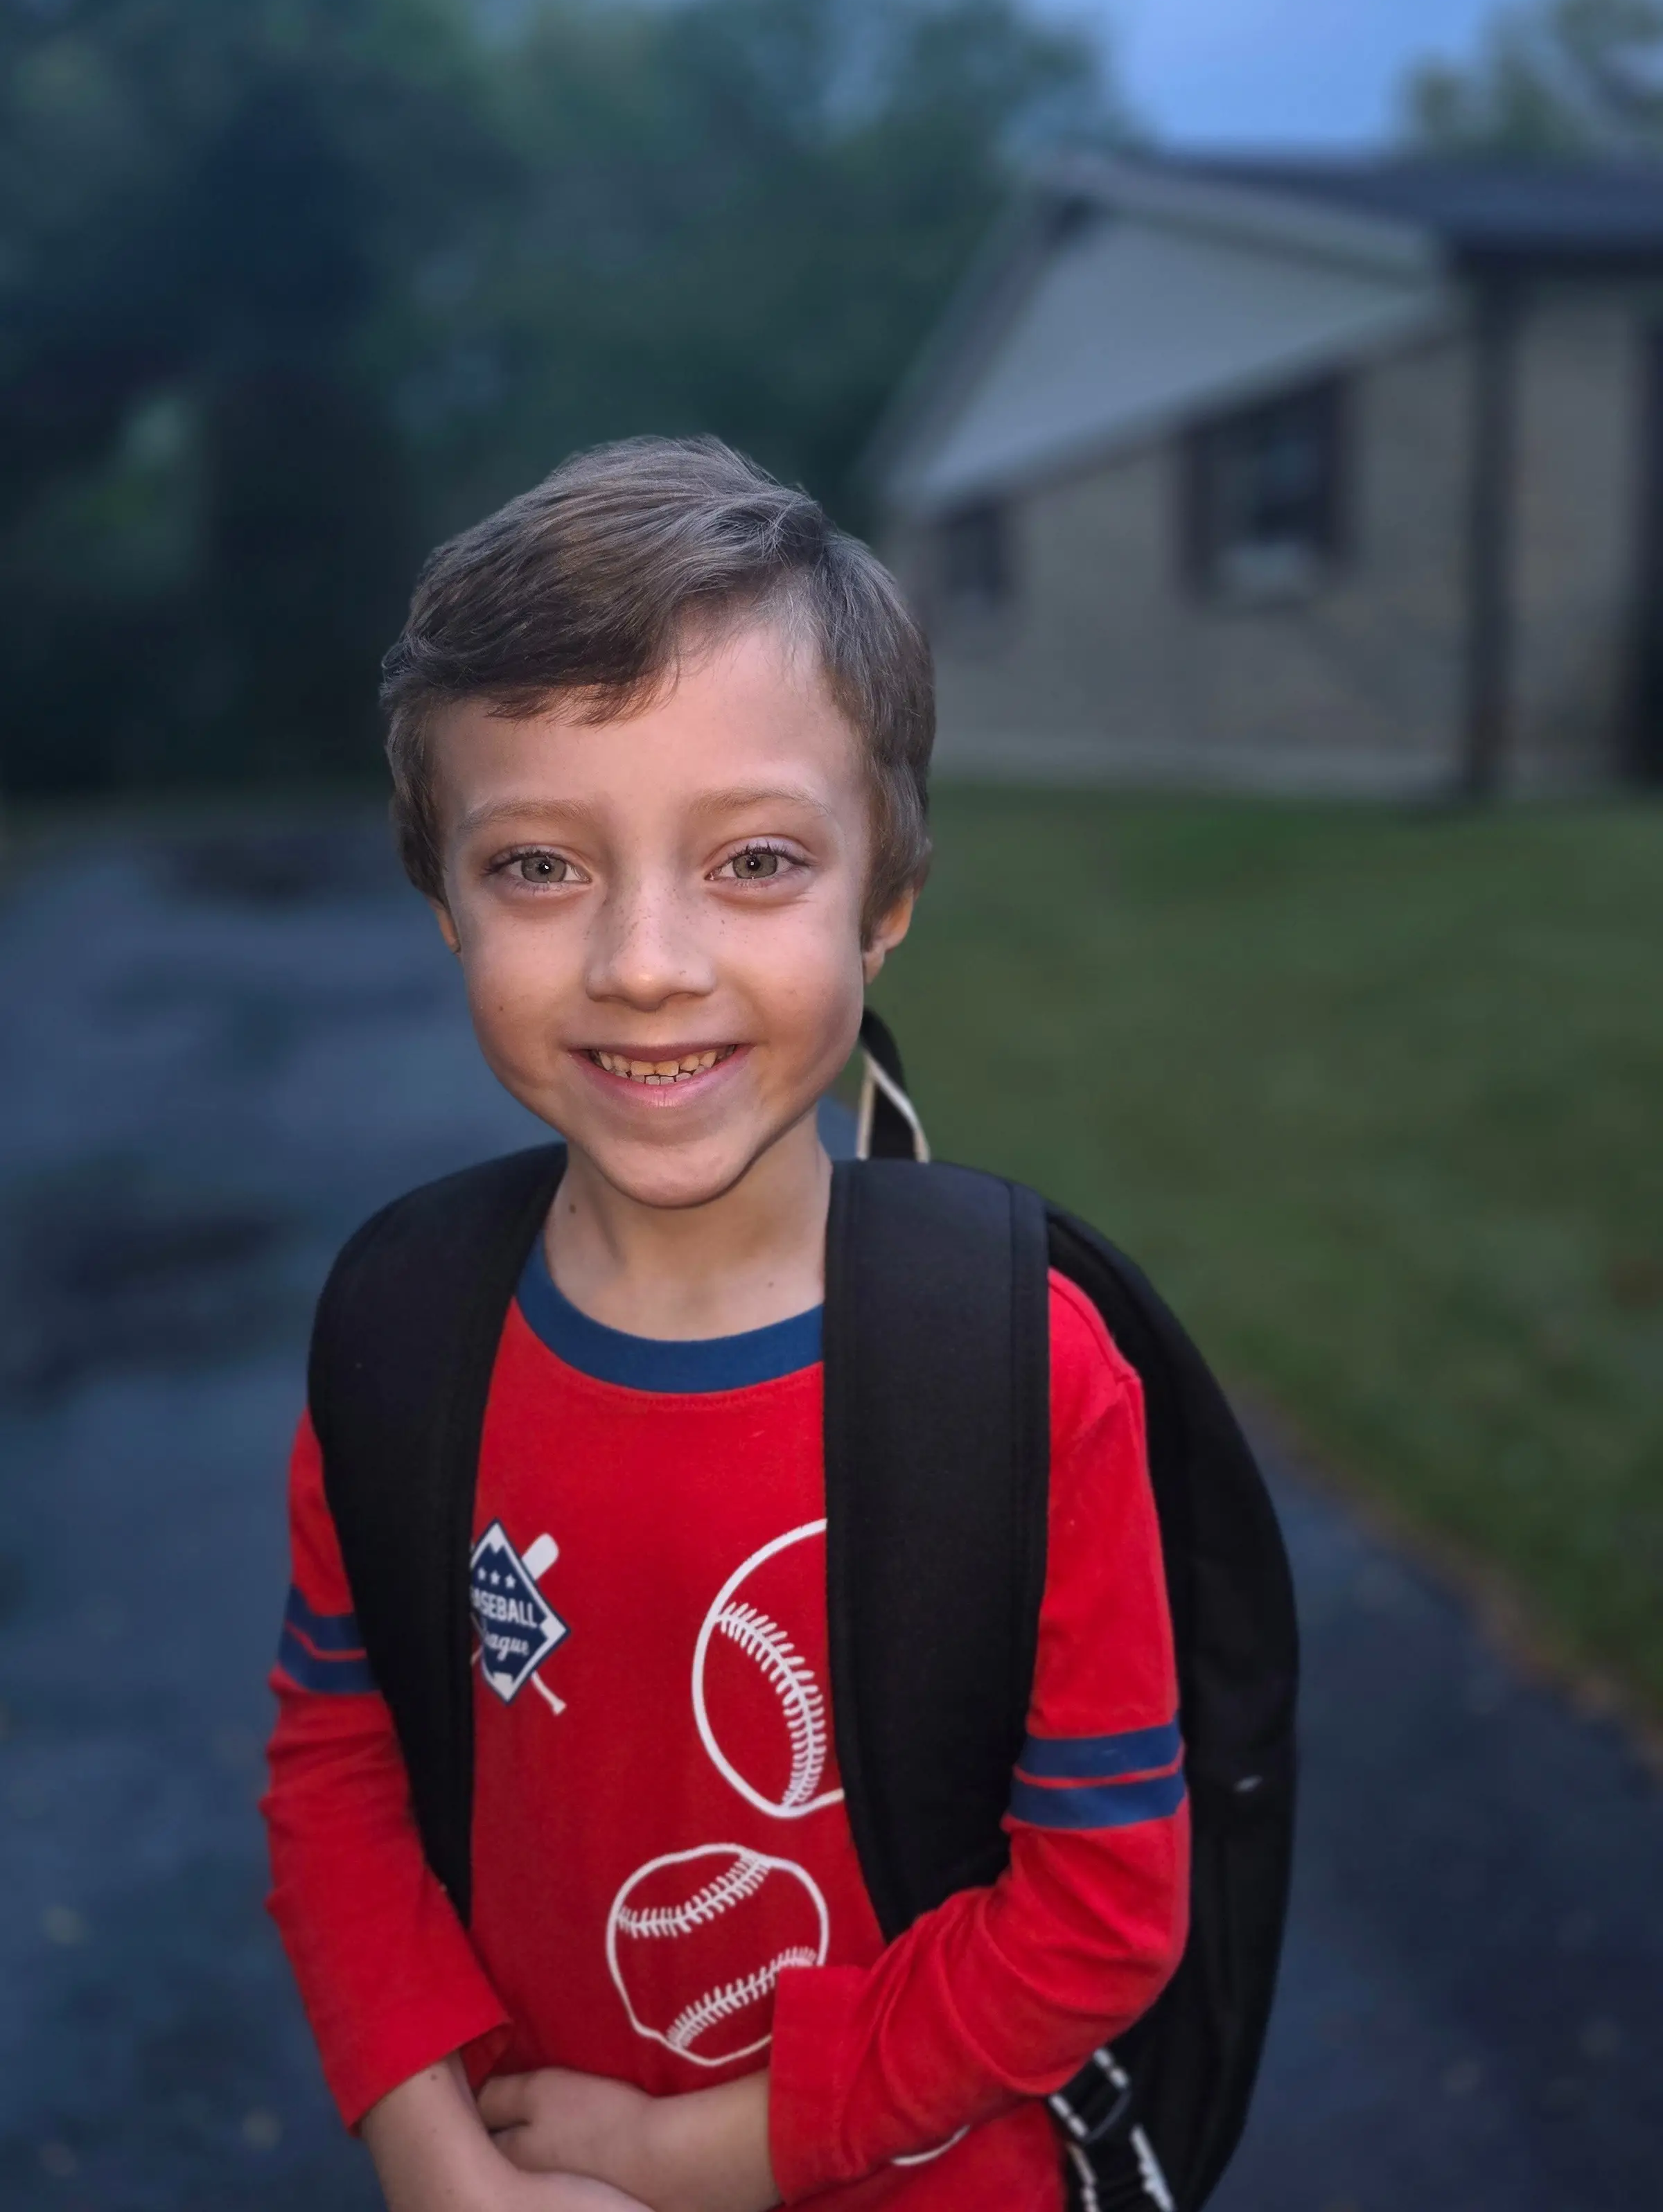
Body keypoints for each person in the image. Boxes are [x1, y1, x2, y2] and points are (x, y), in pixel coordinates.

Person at [262, 436, 1189, 2212]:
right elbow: (336, 1765)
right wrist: (434, 2156)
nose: (645, 960)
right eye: (540, 866)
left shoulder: (1018, 1370)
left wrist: (697, 2154)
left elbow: (1098, 1909)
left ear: (886, 898)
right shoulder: (405, 1335)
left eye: (756, 859)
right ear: (442, 899)